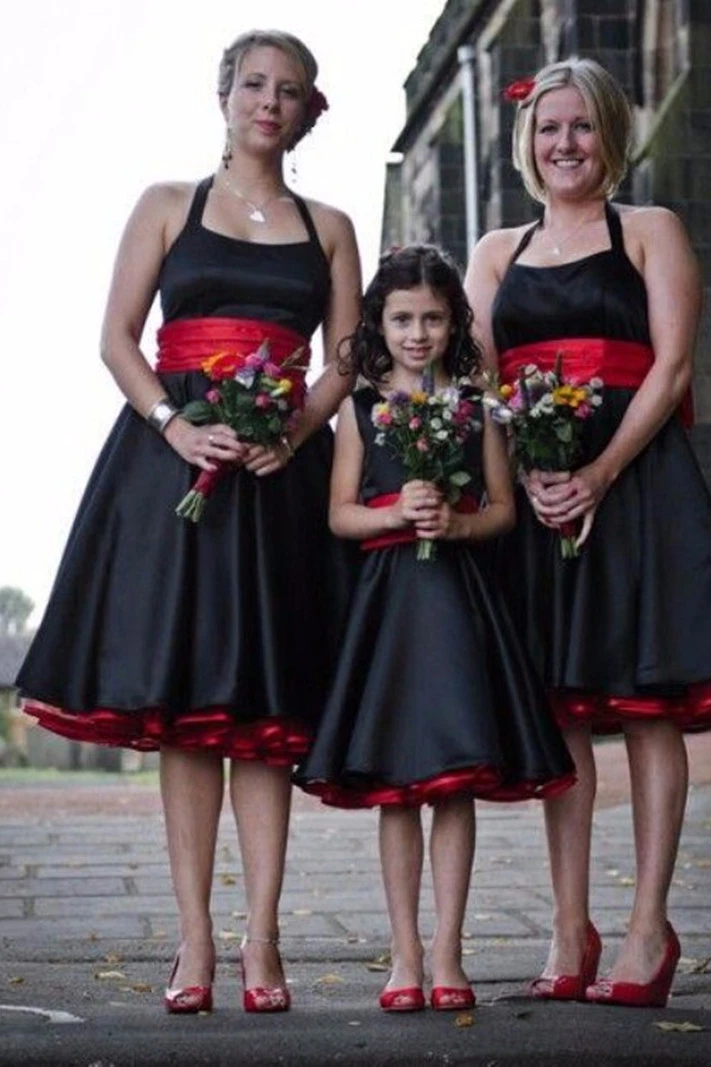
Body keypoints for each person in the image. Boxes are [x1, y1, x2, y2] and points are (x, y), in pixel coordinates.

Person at [16, 29, 361, 1014]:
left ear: (306, 110)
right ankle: (194, 940)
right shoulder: (167, 205)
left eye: (288, 90)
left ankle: (263, 938)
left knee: (262, 716)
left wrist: (294, 430)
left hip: (277, 480)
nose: (269, 101)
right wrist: (173, 424)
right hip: (172, 473)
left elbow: (344, 355)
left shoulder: (329, 224)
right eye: (254, 84)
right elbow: (117, 339)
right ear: (225, 95)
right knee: (187, 712)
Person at [464, 57, 711, 1009]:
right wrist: (530, 472)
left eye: (582, 126)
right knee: (562, 710)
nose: (564, 143)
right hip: (537, 492)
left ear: (610, 132)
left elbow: (675, 365)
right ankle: (571, 924)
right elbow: (485, 380)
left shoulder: (649, 230)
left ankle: (649, 924)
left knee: (647, 705)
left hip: (637, 486)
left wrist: (600, 472)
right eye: (548, 128)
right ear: (528, 141)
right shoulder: (495, 251)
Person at [294, 245, 576, 1013]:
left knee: (454, 782)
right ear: (378, 325)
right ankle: (405, 955)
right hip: (387, 607)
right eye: (401, 319)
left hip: (456, 604)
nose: (417, 333)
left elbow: (503, 510)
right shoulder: (360, 408)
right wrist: (395, 512)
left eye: (432, 318)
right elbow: (339, 512)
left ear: (454, 323)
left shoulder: (480, 406)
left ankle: (450, 952)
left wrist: (454, 522)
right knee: (395, 789)